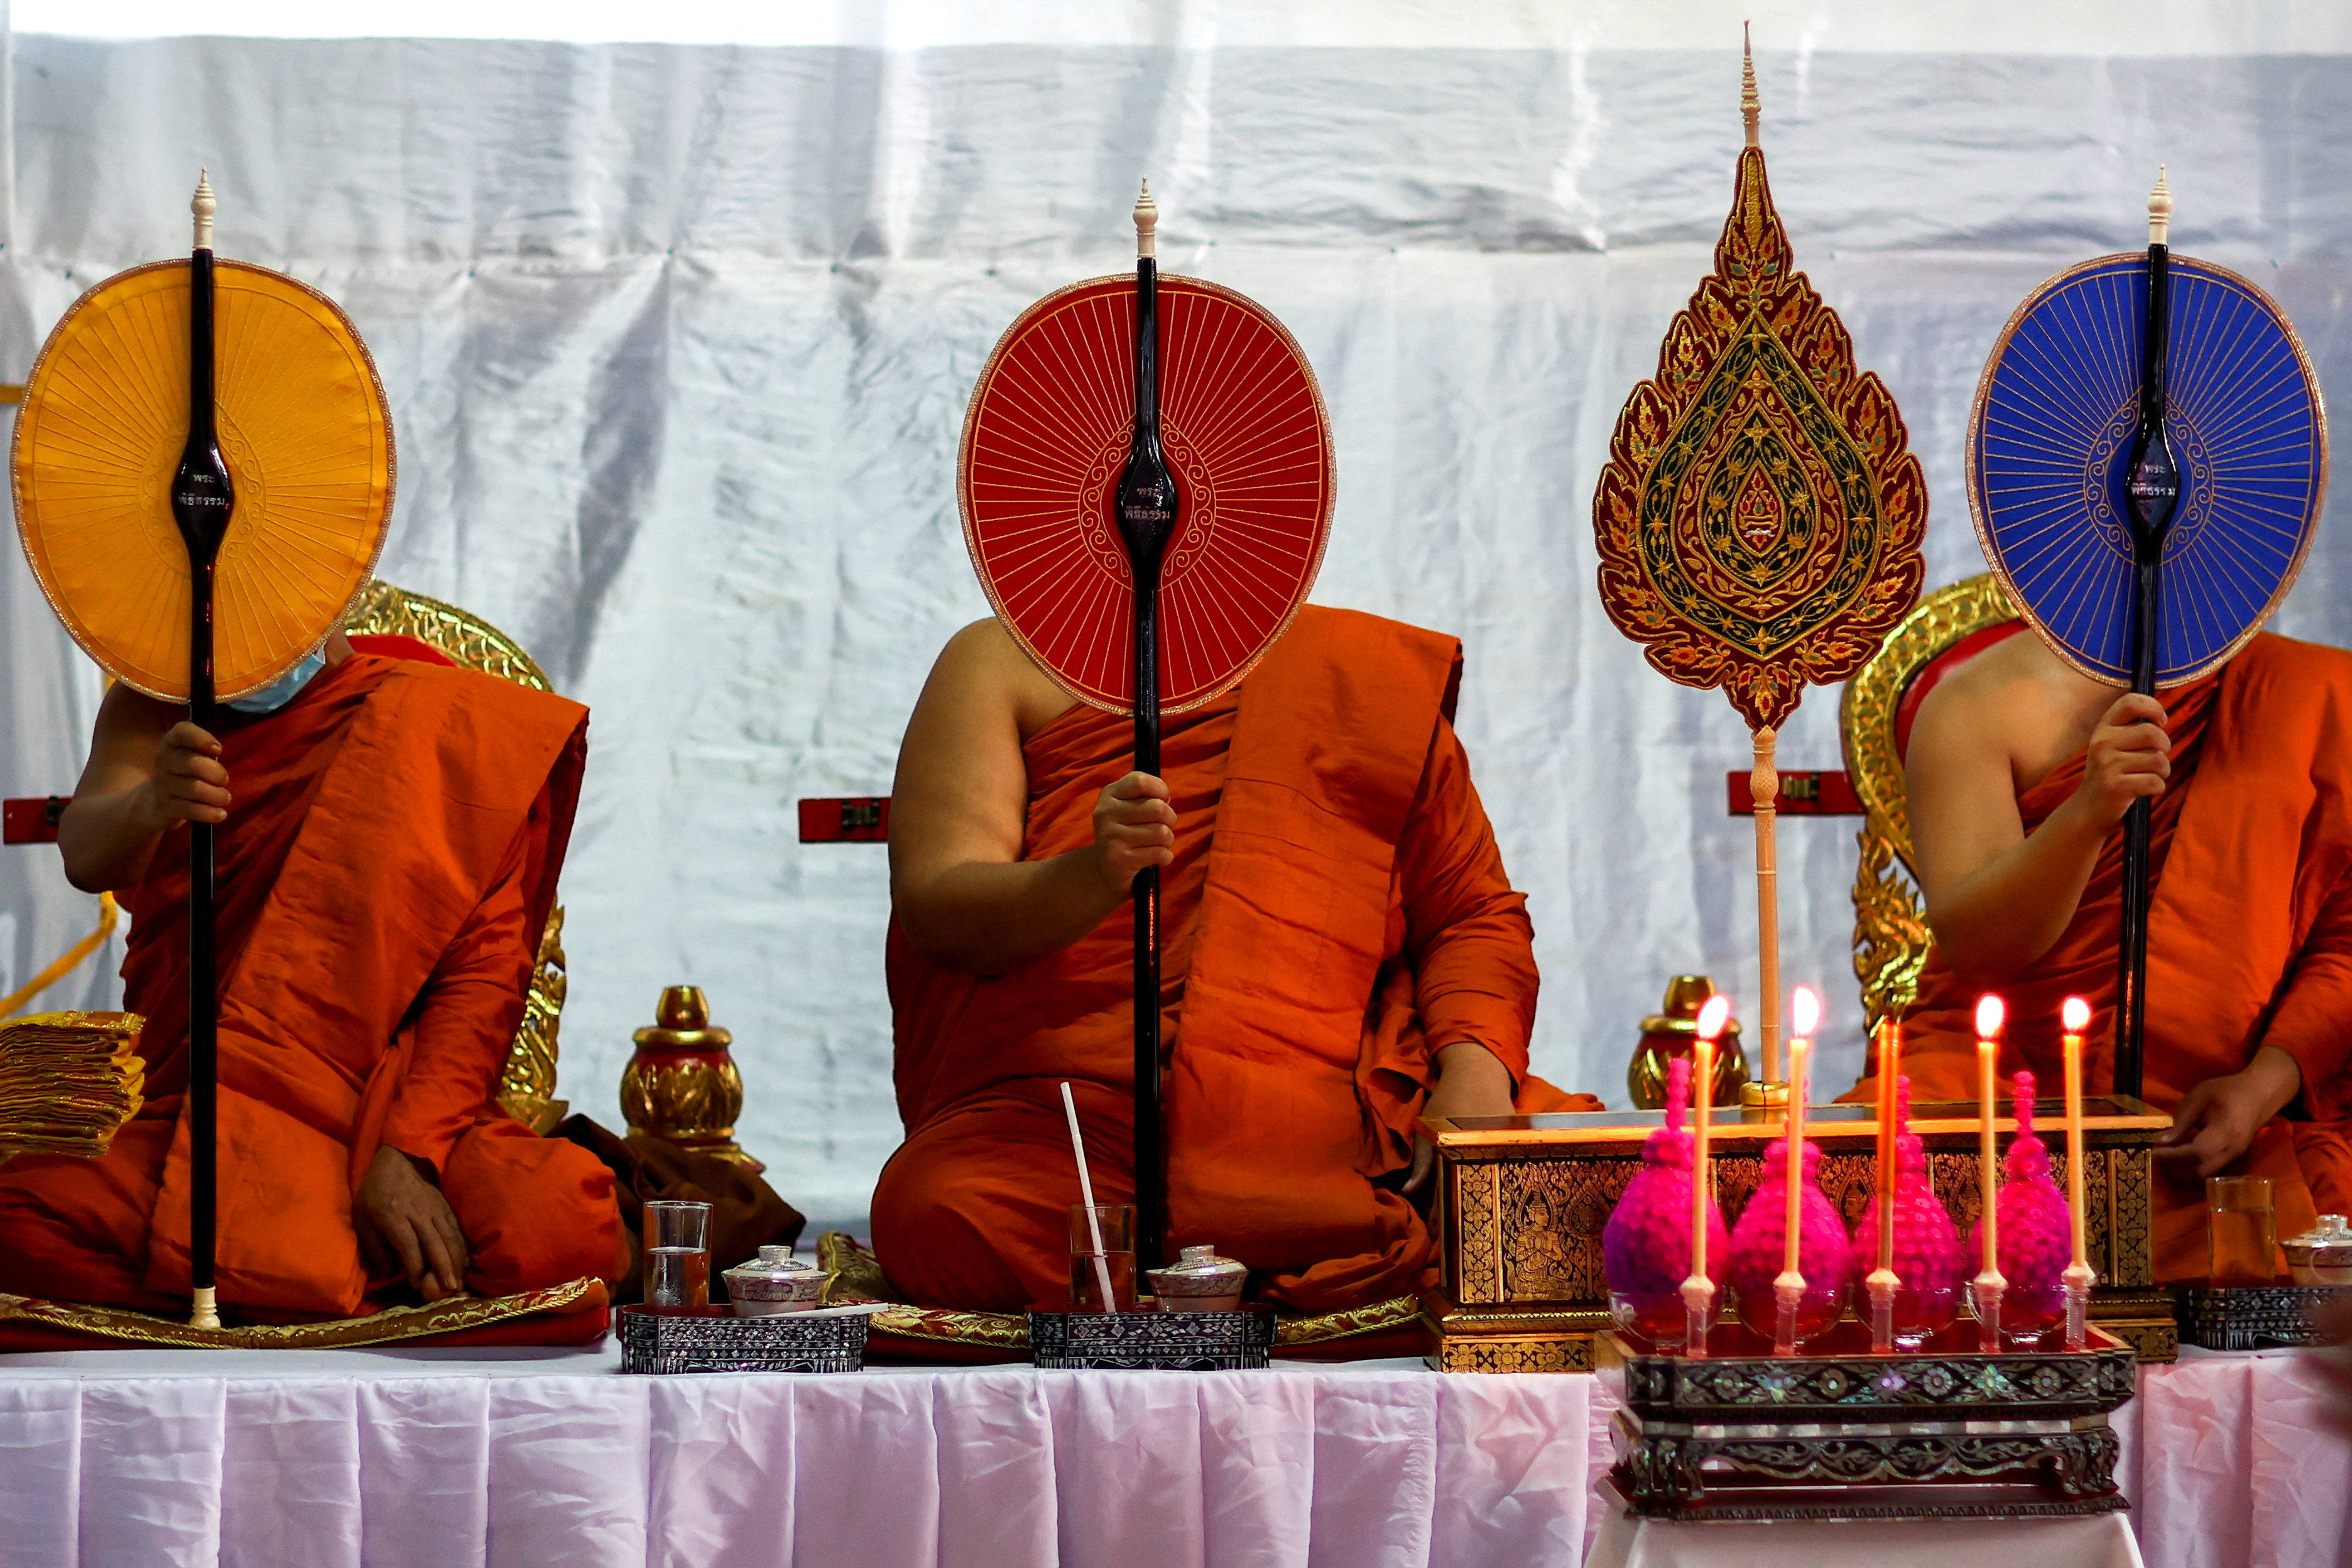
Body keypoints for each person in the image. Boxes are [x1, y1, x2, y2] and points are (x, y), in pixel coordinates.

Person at [871, 606, 1592, 1314]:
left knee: (1603, 1192)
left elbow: (1468, 915)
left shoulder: (1355, 677)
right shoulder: (1001, 660)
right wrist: (1093, 874)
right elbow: (941, 909)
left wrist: (1471, 1088)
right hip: (1070, 1123)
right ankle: (1270, 1267)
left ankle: (1195, 1276)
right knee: (940, 1215)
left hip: (1334, 1114)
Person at [0, 633, 628, 1320]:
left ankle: (242, 1289)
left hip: (382, 1106)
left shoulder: (441, 718)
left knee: (563, 1228)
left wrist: (409, 1156)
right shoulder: (155, 701)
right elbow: (89, 858)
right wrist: (152, 803)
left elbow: (482, 975)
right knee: (15, 1219)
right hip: (201, 1115)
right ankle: (354, 1295)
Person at [1881, 624, 2352, 1280]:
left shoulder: (2315, 693)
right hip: (2002, 1080)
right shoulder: (1975, 703)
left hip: (2222, 1110)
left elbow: (2343, 942)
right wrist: (2090, 809)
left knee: (2315, 1218)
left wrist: (2261, 1087)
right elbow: (1977, 951)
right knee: (1889, 1212)